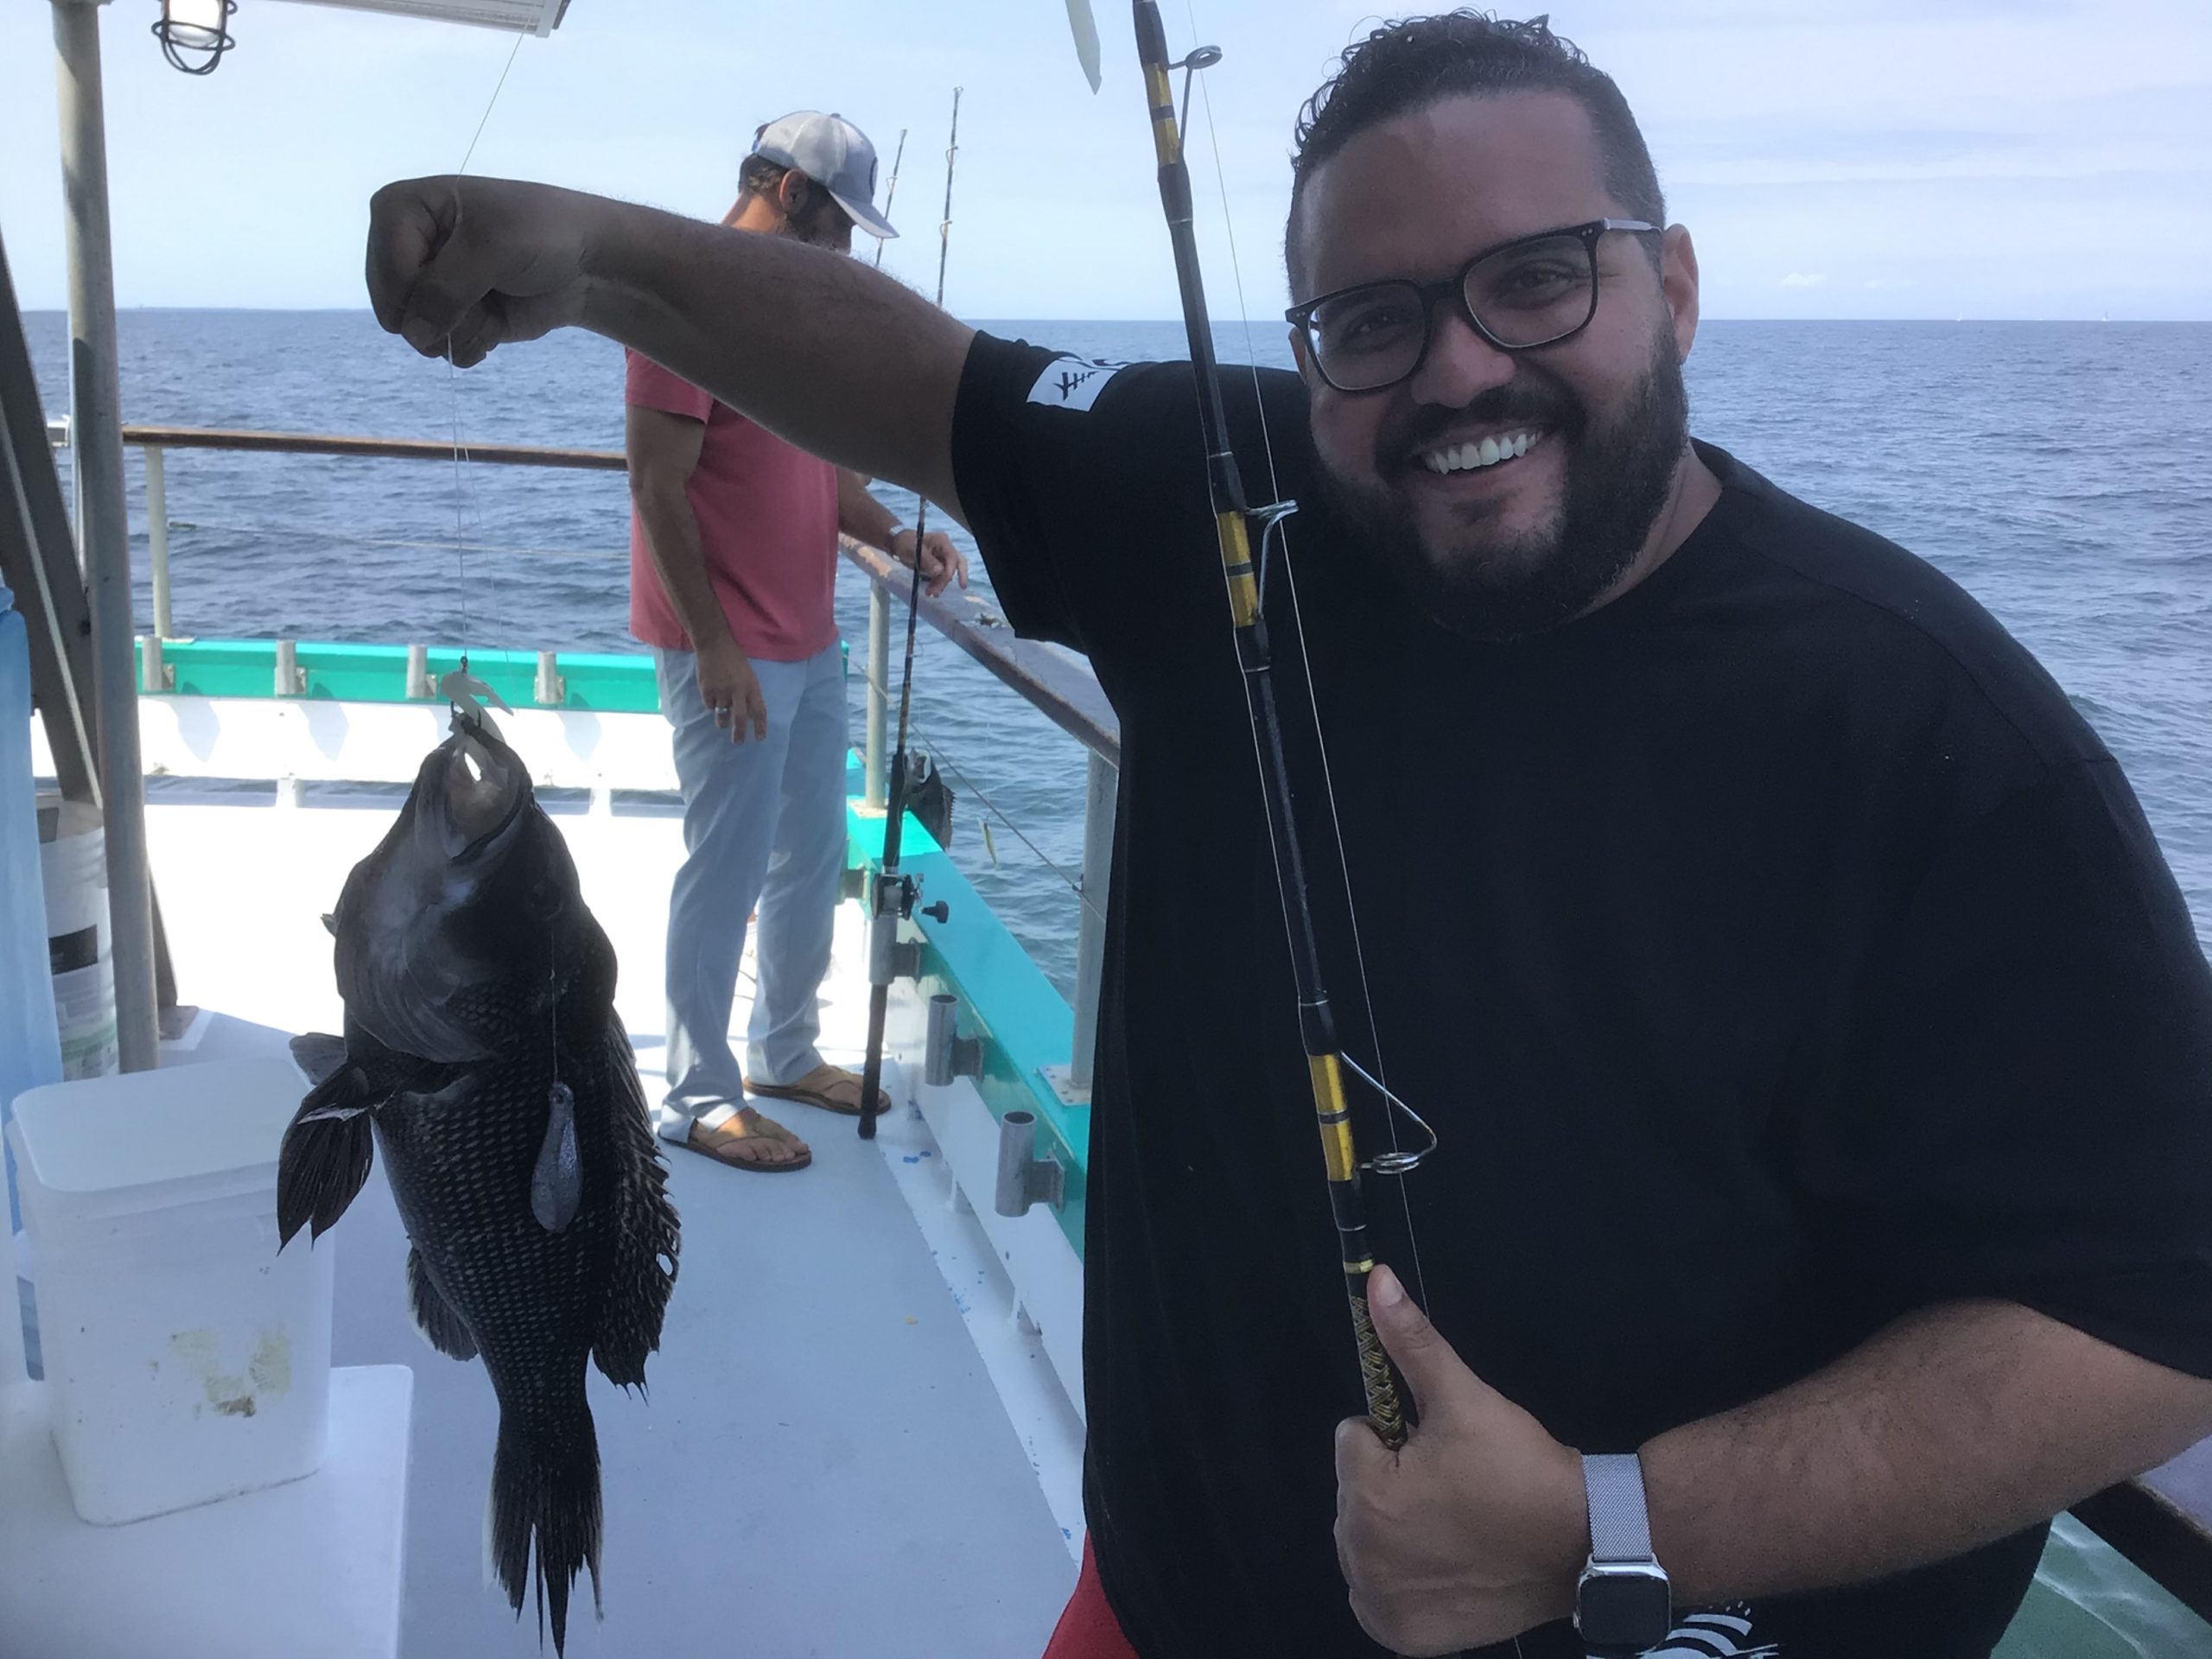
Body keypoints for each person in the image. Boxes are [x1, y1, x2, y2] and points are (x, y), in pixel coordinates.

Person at [363, 13, 2212, 1656]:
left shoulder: (1928, 730)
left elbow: (2150, 1313)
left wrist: (1609, 1525)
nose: (1458, 371)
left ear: (1675, 286)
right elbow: (910, 374)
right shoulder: (1233, 503)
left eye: (1539, 279)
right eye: (1370, 320)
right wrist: (587, 250)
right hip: (1156, 1603)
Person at [625, 111, 966, 1173]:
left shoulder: (785, 318)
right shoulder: (679, 305)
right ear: (781, 189)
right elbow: (658, 486)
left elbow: (814, 468)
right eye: (835, 223)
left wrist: (891, 532)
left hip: (810, 639)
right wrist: (713, 646)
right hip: (730, 646)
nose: (844, 249)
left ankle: (783, 1051)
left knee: (812, 853)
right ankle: (694, 1093)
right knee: (722, 868)